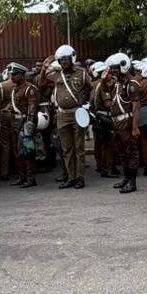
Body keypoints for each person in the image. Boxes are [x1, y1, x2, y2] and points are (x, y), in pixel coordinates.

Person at [52, 44, 91, 189]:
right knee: (66, 148)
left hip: (77, 113)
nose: (64, 62)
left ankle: (80, 178)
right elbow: (42, 83)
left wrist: (87, 103)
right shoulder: (56, 74)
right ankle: (70, 177)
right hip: (62, 114)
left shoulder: (81, 73)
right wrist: (45, 67)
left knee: (79, 147)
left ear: (72, 59)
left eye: (66, 59)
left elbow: (90, 88)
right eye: (61, 60)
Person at [105, 53, 142, 193]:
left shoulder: (132, 85)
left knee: (131, 153)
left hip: (127, 123)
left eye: (115, 68)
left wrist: (135, 127)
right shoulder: (118, 84)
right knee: (122, 153)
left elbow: (136, 106)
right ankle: (126, 178)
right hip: (118, 124)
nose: (113, 71)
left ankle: (132, 182)